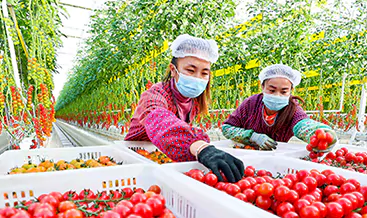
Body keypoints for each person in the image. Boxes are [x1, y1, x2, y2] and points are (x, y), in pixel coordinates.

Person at [125, 34, 244, 183]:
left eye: (204, 73)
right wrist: (200, 147)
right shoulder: (155, 94)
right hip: (139, 157)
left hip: (164, 159)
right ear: (173, 70)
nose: (198, 78)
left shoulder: (193, 101)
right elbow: (158, 117)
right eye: (190, 70)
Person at [221, 63, 337, 151]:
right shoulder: (251, 104)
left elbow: (302, 124)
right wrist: (252, 136)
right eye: (272, 90)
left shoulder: (292, 109)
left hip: (274, 157)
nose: (277, 95)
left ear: (291, 91)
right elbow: (227, 128)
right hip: (245, 152)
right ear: (262, 86)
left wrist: (319, 133)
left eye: (284, 91)